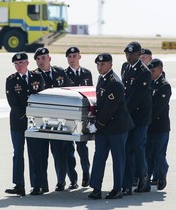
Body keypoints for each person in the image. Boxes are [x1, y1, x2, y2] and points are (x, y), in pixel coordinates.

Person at [88, 53, 134, 199]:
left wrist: (97, 125)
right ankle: (96, 188)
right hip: (104, 127)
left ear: (110, 65)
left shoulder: (114, 82)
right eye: (98, 65)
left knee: (118, 159)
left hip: (117, 127)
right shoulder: (102, 79)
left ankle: (118, 188)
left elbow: (109, 109)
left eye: (102, 64)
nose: (99, 67)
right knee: (99, 157)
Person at [32, 47, 72, 192]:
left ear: (49, 59)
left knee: (59, 153)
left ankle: (61, 181)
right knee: (42, 155)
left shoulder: (60, 72)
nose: (40, 61)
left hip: (59, 120)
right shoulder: (33, 76)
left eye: (43, 58)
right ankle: (43, 185)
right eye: (38, 59)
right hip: (42, 121)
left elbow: (69, 90)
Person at [5, 52, 44, 196]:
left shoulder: (36, 77)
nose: (19, 66)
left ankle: (37, 185)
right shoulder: (11, 80)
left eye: (21, 63)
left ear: (27, 63)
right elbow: (13, 103)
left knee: (35, 154)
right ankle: (19, 185)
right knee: (18, 154)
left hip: (34, 122)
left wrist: (34, 114)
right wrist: (27, 114)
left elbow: (40, 96)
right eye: (16, 63)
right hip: (18, 122)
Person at [121, 41, 152, 195]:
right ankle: (129, 180)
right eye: (127, 53)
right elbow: (125, 92)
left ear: (139, 55)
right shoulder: (126, 68)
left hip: (140, 117)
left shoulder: (144, 72)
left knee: (138, 147)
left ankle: (144, 178)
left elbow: (135, 98)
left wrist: (121, 111)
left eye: (132, 53)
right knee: (127, 148)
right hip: (129, 116)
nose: (128, 56)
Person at [64, 46, 93, 189]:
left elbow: (92, 94)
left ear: (79, 57)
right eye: (69, 56)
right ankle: (73, 179)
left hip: (83, 116)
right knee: (69, 149)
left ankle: (87, 174)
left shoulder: (87, 73)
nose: (72, 59)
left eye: (74, 56)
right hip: (69, 116)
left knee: (82, 148)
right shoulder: (63, 74)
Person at [146, 58, 171, 190]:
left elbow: (157, 108)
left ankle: (162, 176)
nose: (151, 73)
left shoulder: (164, 85)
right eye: (149, 70)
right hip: (148, 126)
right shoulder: (148, 83)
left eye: (153, 71)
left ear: (160, 70)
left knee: (158, 153)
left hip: (160, 127)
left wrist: (145, 120)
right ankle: (147, 178)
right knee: (148, 153)